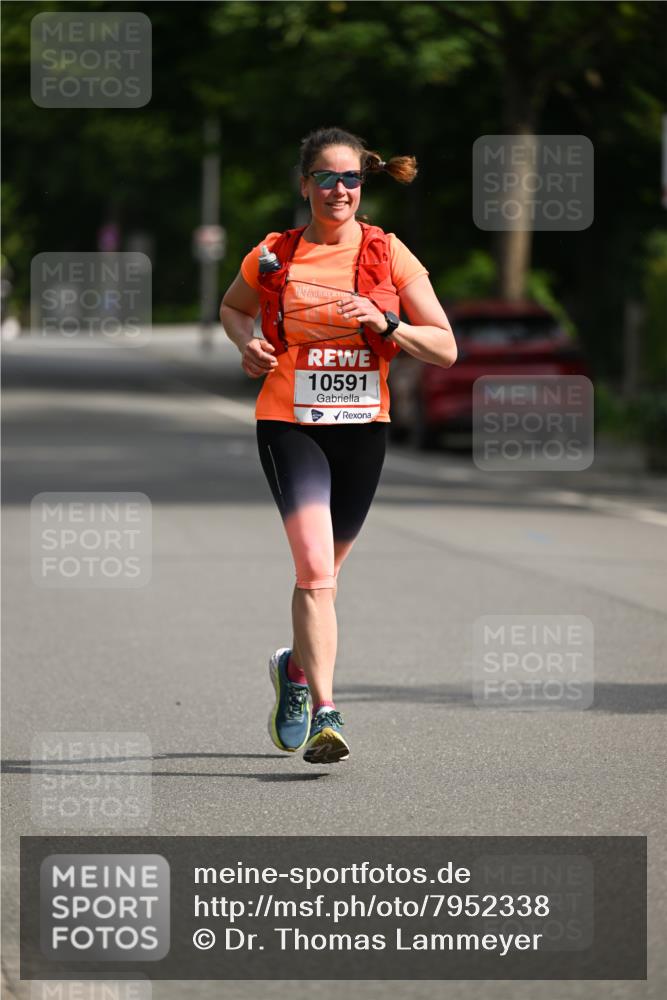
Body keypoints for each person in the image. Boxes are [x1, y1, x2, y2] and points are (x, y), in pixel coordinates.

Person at [220, 126, 456, 765]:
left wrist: (386, 321)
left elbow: (445, 346)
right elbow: (234, 307)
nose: (339, 190)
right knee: (315, 572)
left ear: (363, 183)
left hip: (362, 429)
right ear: (305, 186)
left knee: (328, 576)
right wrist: (247, 344)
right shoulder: (274, 254)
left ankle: (293, 667)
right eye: (326, 177)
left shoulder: (388, 254)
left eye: (350, 178)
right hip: (289, 424)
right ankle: (327, 709)